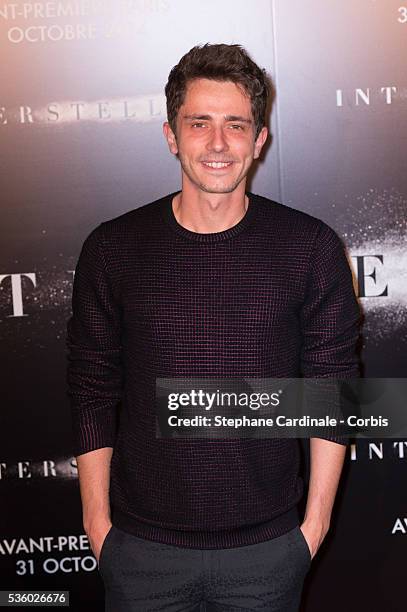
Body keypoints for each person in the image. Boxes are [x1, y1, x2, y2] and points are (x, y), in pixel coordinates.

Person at [67, 43, 360, 611]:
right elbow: (91, 389)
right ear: (171, 135)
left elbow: (334, 388)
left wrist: (313, 529)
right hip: (140, 553)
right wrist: (99, 527)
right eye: (199, 124)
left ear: (260, 139)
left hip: (269, 553)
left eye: (236, 125)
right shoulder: (114, 249)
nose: (219, 144)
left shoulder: (310, 247)